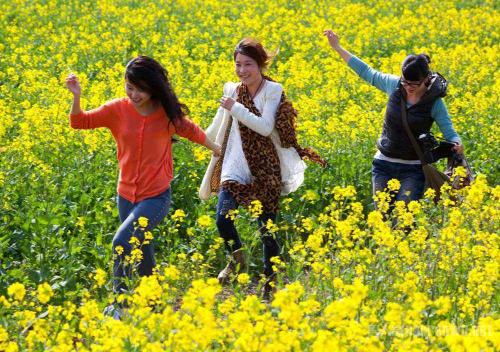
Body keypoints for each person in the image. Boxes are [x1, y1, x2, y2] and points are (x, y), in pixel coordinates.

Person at [65, 56, 220, 317]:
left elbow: (190, 130)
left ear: (153, 89)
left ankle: (120, 306)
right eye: (129, 87)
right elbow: (80, 122)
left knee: (121, 242)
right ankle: (155, 304)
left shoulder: (166, 113)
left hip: (156, 197)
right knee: (142, 248)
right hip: (125, 196)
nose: (134, 94)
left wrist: (215, 149)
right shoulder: (117, 109)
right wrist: (77, 96)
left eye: (140, 89)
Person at [199, 39, 326, 299]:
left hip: (265, 166)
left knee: (267, 229)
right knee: (223, 220)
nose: (242, 70)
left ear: (261, 64)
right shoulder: (232, 89)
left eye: (248, 64)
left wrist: (236, 107)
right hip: (234, 164)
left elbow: (266, 127)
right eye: (238, 64)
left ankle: (270, 285)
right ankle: (236, 258)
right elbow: (217, 124)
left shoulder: (273, 90)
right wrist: (196, 137)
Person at [324, 30, 463, 205]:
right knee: (381, 217)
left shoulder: (434, 102)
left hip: (413, 169)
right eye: (405, 81)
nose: (408, 87)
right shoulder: (394, 85)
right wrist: (337, 47)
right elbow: (367, 72)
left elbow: (449, 130)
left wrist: (457, 143)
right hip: (383, 164)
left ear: (426, 79)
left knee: (402, 221)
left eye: (414, 84)